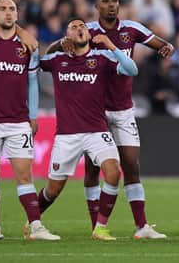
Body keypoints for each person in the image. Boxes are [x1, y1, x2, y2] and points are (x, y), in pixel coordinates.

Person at [83, 0, 173, 239]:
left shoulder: (131, 29)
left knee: (131, 165)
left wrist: (165, 47)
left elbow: (159, 42)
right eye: (105, 1)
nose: (111, 5)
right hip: (95, 111)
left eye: (114, 1)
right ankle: (96, 225)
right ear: (97, 6)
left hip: (123, 110)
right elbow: (63, 44)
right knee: (92, 169)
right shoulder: (88, 31)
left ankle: (141, 226)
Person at [37, 18, 138, 241]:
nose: (80, 28)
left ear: (89, 34)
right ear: (68, 35)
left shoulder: (102, 59)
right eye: (73, 27)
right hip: (67, 135)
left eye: (82, 26)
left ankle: (100, 228)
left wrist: (112, 46)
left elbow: (132, 69)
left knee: (113, 173)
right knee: (53, 189)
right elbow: (33, 62)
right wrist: (57, 44)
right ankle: (33, 221)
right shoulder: (57, 60)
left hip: (96, 131)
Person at [0, 0, 59, 240]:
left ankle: (35, 226)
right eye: (2, 8)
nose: (8, 12)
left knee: (24, 175)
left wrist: (32, 116)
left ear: (17, 14)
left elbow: (32, 82)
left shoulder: (27, 46)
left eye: (12, 8)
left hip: (18, 121)